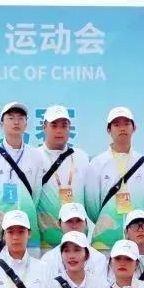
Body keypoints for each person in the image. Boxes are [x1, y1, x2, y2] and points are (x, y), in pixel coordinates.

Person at [84, 106, 144, 250]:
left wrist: (141, 229)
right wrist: (107, 220)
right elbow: (92, 206)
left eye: (126, 124)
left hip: (137, 244)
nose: (122, 128)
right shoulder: (97, 163)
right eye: (116, 125)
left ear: (134, 128)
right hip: (105, 242)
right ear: (108, 130)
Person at [0, 102, 47, 251]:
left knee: (29, 264)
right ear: (1, 124)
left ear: (26, 124)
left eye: (20, 118)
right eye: (10, 118)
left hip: (28, 229)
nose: (16, 122)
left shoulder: (36, 156)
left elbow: (36, 195)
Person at [36, 105, 90, 251]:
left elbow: (91, 201)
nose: (59, 131)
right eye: (54, 125)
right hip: (46, 242)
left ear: (69, 128)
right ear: (44, 127)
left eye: (64, 126)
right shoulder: (35, 157)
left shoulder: (81, 157)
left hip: (78, 242)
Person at [40, 203, 107, 282]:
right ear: (59, 224)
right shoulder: (47, 260)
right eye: (69, 221)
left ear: (86, 223)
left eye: (78, 220)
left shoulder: (99, 259)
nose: (74, 226)